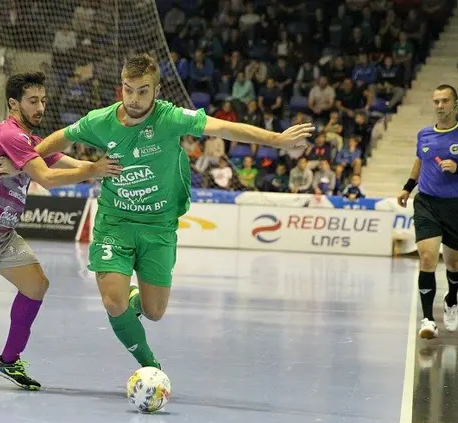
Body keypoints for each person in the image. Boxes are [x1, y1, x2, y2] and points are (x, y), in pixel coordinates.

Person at [21, 53, 313, 371]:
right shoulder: (100, 121)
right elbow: (57, 140)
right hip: (114, 222)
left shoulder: (170, 118)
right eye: (128, 89)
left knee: (154, 311)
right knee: (112, 301)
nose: (134, 98)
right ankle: (150, 366)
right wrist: (23, 160)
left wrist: (278, 141)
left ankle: (135, 298)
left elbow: (226, 129)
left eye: (142, 90)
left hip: (158, 227)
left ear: (156, 90)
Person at [0, 72, 120, 389]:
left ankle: (9, 360)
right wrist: (95, 170)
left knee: (37, 285)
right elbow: (48, 177)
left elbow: (59, 160)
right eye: (32, 101)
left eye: (42, 100)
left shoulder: (30, 140)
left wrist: (97, 169)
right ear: (14, 104)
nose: (40, 107)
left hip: (0, 236)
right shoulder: (10, 135)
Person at [397, 84, 458, 339]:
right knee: (428, 258)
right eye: (436, 101)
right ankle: (428, 319)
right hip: (427, 203)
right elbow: (421, 159)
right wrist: (408, 187)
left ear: (455, 104)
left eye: (444, 101)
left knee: (454, 263)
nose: (439, 106)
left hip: (456, 207)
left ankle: (451, 300)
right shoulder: (424, 135)